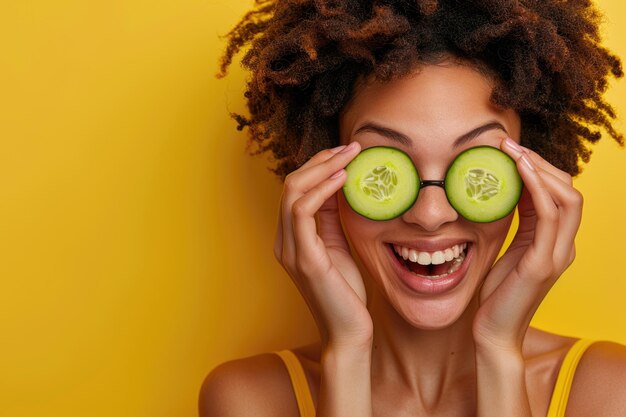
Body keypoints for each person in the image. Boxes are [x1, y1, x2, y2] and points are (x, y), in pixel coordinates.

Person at [200, 1, 626, 415]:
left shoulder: (609, 392)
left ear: (530, 181)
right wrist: (346, 352)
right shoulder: (247, 400)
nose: (431, 214)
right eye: (384, 164)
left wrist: (499, 351)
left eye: (476, 164)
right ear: (324, 177)